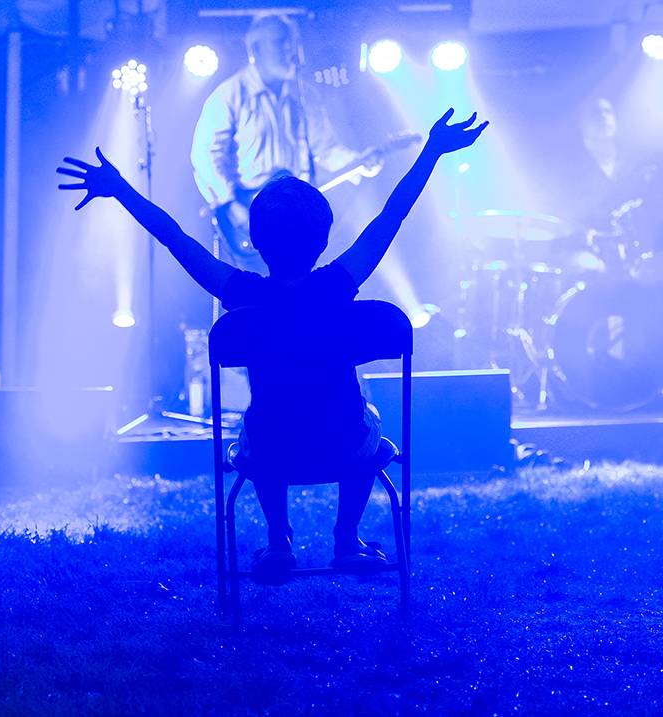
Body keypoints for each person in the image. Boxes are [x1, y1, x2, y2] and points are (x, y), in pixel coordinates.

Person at [57, 106, 488, 581]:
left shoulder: (242, 295)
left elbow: (174, 237)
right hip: (342, 445)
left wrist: (120, 190)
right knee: (369, 423)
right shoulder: (338, 284)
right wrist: (430, 151)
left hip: (272, 450)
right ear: (323, 239)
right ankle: (347, 539)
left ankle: (279, 539)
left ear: (255, 241)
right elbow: (392, 215)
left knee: (259, 428)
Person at [190, 13, 361, 270]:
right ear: (255, 49)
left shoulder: (304, 96)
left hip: (294, 216)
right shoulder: (229, 95)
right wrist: (232, 204)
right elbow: (206, 155)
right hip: (246, 212)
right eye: (281, 42)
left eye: (292, 42)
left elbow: (326, 149)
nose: (290, 49)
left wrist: (359, 162)